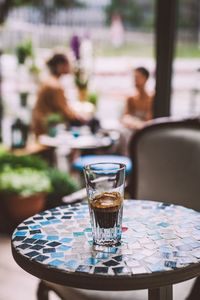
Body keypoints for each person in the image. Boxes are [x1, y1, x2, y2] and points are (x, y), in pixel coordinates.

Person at [32, 53, 85, 137]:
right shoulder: (55, 86)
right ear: (60, 66)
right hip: (46, 129)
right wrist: (82, 119)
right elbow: (65, 111)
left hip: (40, 126)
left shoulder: (48, 81)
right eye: (68, 63)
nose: (70, 66)